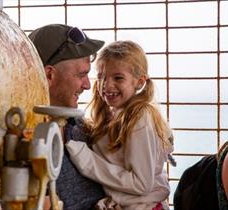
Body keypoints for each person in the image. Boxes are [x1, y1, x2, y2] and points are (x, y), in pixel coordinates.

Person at [65, 40, 174, 210]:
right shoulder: (113, 114)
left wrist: (86, 158)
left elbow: (141, 183)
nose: (107, 85)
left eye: (118, 78)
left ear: (139, 81)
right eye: (101, 76)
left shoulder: (140, 117)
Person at [28, 24, 105, 210]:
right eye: (81, 74)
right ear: (49, 75)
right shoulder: (23, 140)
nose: (87, 85)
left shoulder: (79, 125)